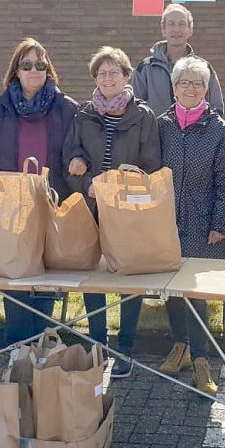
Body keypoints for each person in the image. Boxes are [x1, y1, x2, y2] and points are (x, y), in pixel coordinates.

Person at [63, 46, 161, 378]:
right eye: (102, 73)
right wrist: (82, 172)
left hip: (128, 210)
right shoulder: (83, 113)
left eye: (114, 72)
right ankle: (98, 344)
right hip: (89, 205)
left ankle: (127, 347)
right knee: (94, 278)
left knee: (127, 277)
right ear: (95, 78)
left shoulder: (143, 116)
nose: (108, 79)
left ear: (126, 77)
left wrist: (114, 187)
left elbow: (150, 166)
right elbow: (70, 155)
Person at [0, 38, 78, 343]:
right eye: (27, 64)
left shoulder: (67, 108)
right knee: (16, 275)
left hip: (51, 202)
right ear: (15, 71)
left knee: (46, 278)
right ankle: (17, 347)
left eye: (40, 64)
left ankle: (45, 345)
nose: (35, 70)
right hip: (10, 208)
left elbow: (77, 149)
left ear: (48, 70)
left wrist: (79, 159)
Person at [156, 56, 225, 395]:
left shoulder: (219, 130)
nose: (190, 89)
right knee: (173, 288)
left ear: (207, 89)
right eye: (184, 82)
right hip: (165, 222)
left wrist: (220, 223)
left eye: (197, 83)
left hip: (204, 223)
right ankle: (181, 347)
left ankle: (202, 359)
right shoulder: (160, 125)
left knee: (197, 292)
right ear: (174, 88)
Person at [132, 3, 224, 116]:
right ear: (163, 29)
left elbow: (216, 108)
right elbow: (135, 111)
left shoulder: (204, 68)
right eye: (171, 24)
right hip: (155, 133)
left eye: (182, 24)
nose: (176, 29)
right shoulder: (145, 69)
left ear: (190, 30)